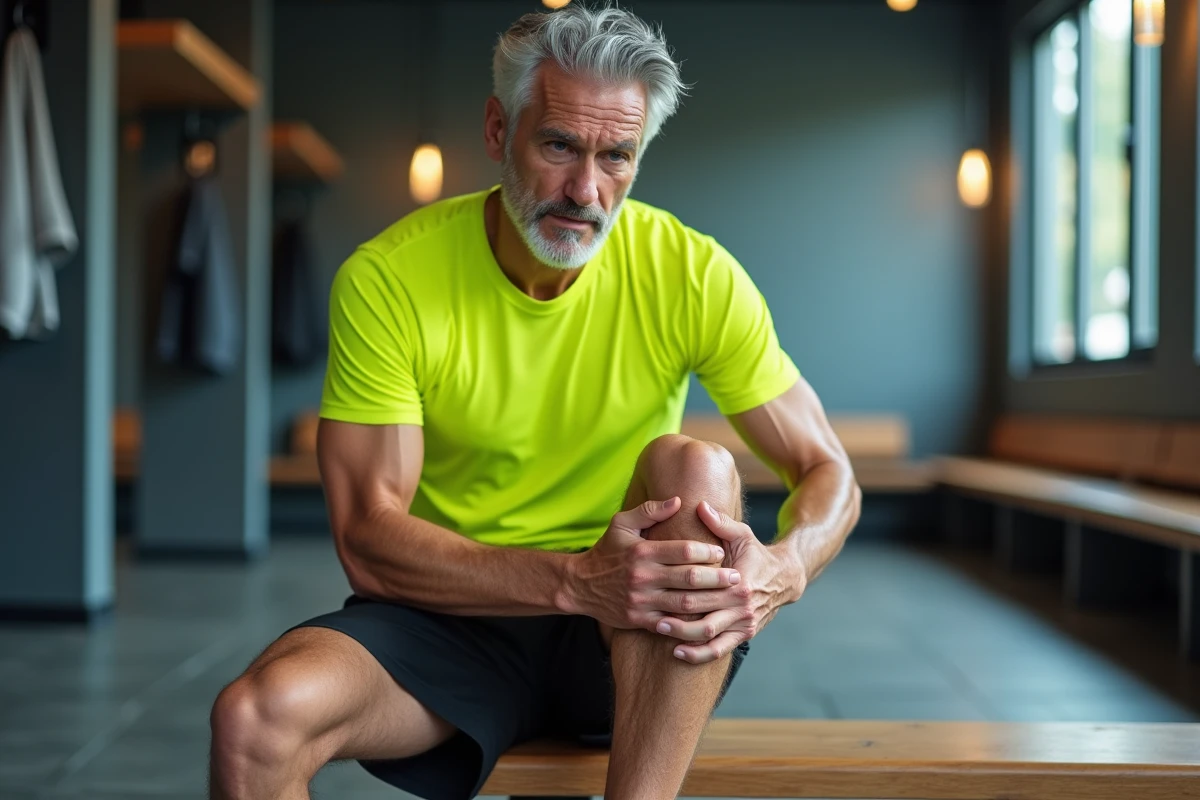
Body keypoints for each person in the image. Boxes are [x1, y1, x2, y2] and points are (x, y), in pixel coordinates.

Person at [208, 4, 861, 800]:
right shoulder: (389, 279)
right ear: (497, 130)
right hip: (456, 622)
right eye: (558, 145)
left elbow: (828, 471)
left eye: (617, 156)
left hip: (634, 636)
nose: (586, 189)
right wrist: (576, 579)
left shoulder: (691, 273)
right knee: (254, 721)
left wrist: (782, 568)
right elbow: (368, 537)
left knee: (693, 467)